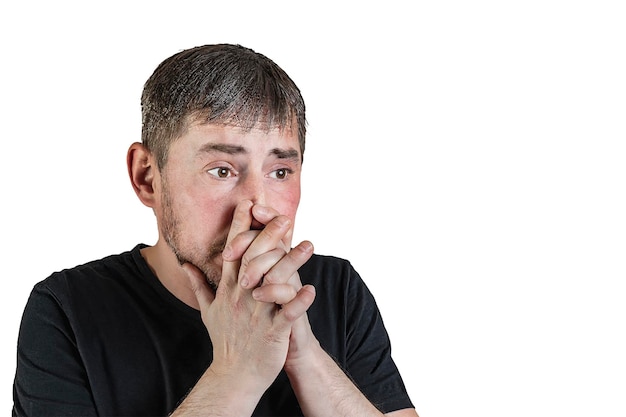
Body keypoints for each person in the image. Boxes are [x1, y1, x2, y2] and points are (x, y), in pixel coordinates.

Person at [12, 44, 417, 416]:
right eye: (221, 170)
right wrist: (237, 372)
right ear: (147, 177)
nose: (257, 208)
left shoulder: (336, 289)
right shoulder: (68, 309)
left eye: (280, 171)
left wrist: (302, 352)